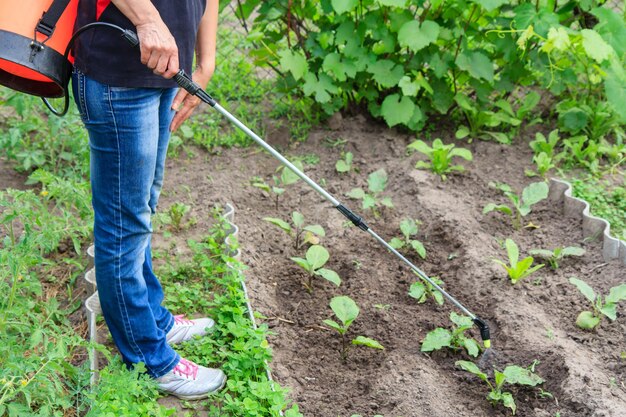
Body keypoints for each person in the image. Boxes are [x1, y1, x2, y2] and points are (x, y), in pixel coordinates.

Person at [71, 0, 225, 400]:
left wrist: (205, 60)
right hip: (118, 74)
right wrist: (148, 19)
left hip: (165, 73)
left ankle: (152, 319)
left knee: (140, 209)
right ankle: (149, 358)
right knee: (123, 222)